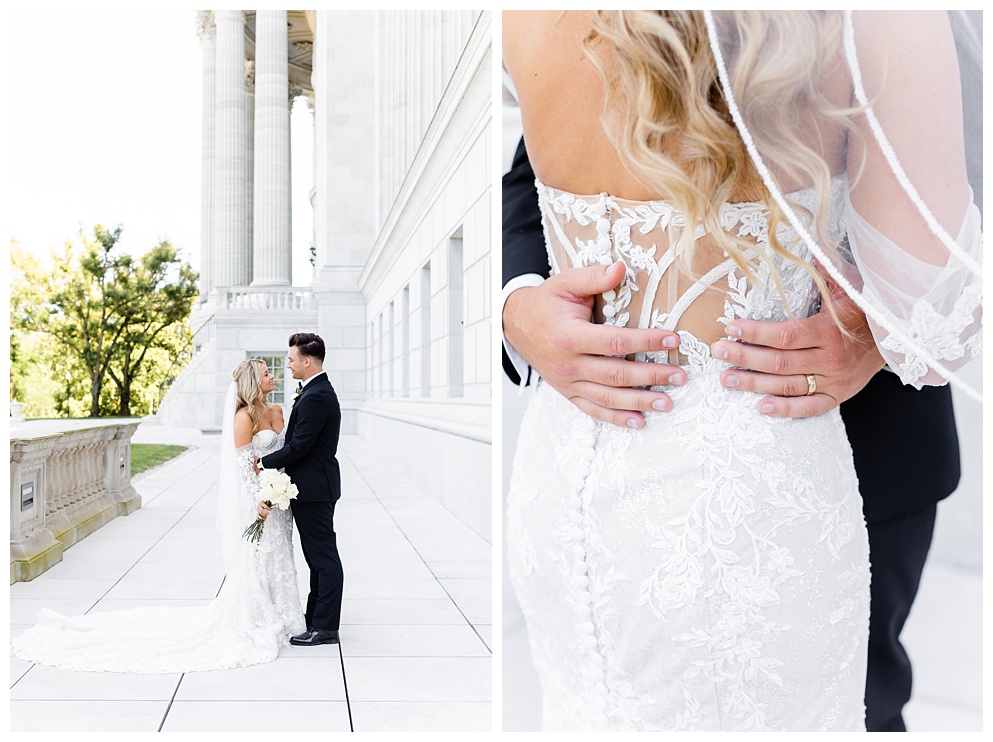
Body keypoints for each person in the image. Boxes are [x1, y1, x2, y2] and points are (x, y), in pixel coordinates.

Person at [502, 10, 981, 731]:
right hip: (767, 485)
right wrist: (515, 305)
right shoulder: (872, 20)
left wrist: (865, 343)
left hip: (570, 482)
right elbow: (933, 314)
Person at [11, 359, 305, 672]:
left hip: (280, 497)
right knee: (259, 558)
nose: (272, 375)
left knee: (280, 554)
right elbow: (244, 468)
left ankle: (287, 614)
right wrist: (260, 499)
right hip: (258, 500)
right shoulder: (244, 418)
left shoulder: (277, 410)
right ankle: (261, 617)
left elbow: (285, 452)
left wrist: (280, 490)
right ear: (252, 381)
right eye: (266, 373)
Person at [256, 332, 344, 646]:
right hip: (311, 487)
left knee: (323, 558)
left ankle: (326, 627)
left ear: (307, 361)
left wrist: (262, 462)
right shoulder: (313, 390)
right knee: (317, 558)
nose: (288, 365)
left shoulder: (318, 395)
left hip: (315, 487)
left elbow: (299, 447)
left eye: (292, 360)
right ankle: (316, 619)